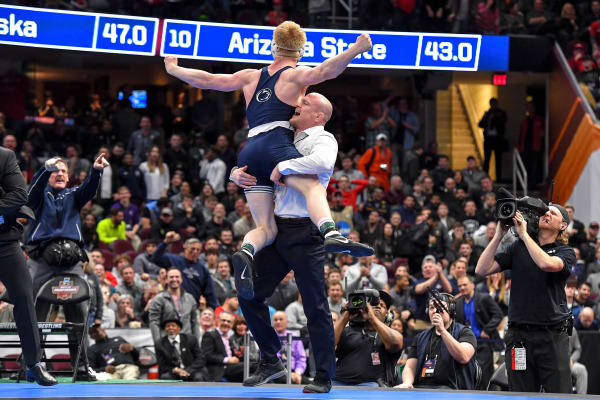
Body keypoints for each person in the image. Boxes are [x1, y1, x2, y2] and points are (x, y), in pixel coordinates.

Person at [165, 21, 374, 300]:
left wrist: (174, 69)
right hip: (275, 145)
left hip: (249, 150)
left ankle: (246, 252)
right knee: (312, 187)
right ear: (301, 51)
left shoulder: (250, 75)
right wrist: (356, 49)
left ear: (273, 48)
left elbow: (209, 79)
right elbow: (327, 70)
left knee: (265, 227)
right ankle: (330, 231)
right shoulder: (296, 74)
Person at [230, 92, 347, 393]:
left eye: (305, 103)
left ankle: (323, 375)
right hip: (277, 230)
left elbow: (321, 163)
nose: (298, 103)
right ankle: (270, 359)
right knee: (248, 294)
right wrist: (235, 174)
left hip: (305, 233)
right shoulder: (284, 137)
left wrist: (283, 167)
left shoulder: (324, 139)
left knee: (315, 306)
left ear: (319, 116)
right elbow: (255, 162)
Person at [475, 204, 576, 393]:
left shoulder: (565, 252)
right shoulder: (518, 247)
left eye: (552, 213)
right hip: (518, 336)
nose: (546, 213)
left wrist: (524, 235)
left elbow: (546, 264)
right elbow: (481, 270)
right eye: (545, 211)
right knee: (520, 394)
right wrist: (499, 235)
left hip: (551, 336)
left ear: (562, 225)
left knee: (560, 394)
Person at [26, 153, 109, 381]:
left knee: (79, 314)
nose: (60, 173)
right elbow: (30, 196)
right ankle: (32, 365)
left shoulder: (74, 195)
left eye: (63, 170)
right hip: (42, 258)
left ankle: (81, 367)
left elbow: (89, 189)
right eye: (55, 170)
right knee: (35, 312)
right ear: (47, 174)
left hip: (72, 259)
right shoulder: (39, 195)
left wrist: (96, 171)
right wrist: (44, 170)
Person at [0, 147, 56, 385]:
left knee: (24, 296)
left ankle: (34, 364)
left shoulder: (4, 156)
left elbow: (19, 195)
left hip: (5, 241)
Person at [398, 292, 478, 389]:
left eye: (440, 306)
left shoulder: (465, 332)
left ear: (451, 311)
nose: (435, 311)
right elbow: (410, 367)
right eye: (431, 308)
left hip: (452, 390)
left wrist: (443, 331)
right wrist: (407, 382)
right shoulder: (420, 337)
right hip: (422, 388)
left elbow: (464, 357)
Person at [333, 290, 403, 386]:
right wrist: (345, 316)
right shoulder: (347, 330)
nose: (378, 306)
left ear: (388, 315)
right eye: (374, 304)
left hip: (371, 386)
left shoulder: (388, 334)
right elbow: (327, 347)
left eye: (382, 305)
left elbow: (395, 343)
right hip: (338, 382)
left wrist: (372, 318)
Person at [455, 275, 503, 388]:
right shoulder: (458, 303)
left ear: (472, 285)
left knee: (485, 375)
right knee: (469, 375)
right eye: (459, 286)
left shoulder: (484, 298)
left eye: (465, 284)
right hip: (467, 344)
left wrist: (486, 330)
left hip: (484, 343)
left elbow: (498, 315)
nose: (462, 287)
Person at [151, 233, 218, 309]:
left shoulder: (203, 269)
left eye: (198, 250)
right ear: (185, 247)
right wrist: (165, 242)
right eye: (192, 248)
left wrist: (217, 311)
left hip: (193, 307)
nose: (195, 251)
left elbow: (210, 294)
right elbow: (155, 258)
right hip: (172, 304)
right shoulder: (174, 260)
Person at [148, 267, 200, 344]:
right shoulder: (158, 299)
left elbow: (194, 322)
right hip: (167, 344)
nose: (174, 279)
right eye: (171, 277)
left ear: (181, 280)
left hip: (187, 343)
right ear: (166, 280)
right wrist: (158, 345)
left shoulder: (190, 298)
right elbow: (154, 323)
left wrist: (196, 343)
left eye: (177, 277)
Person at [200, 310, 245, 382]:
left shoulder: (230, 337)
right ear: (218, 321)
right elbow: (207, 355)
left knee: (251, 371)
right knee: (252, 366)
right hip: (219, 369)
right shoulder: (210, 335)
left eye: (229, 321)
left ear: (232, 324)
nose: (225, 323)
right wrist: (227, 360)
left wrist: (239, 355)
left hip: (232, 368)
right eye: (223, 320)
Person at [478, 98, 506, 180]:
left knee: (498, 159)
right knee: (486, 159)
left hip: (497, 139)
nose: (493, 105)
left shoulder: (501, 113)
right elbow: (480, 124)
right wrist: (488, 117)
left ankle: (499, 178)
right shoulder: (487, 113)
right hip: (488, 139)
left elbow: (503, 123)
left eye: (495, 103)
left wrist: (496, 117)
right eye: (492, 103)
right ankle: (485, 177)